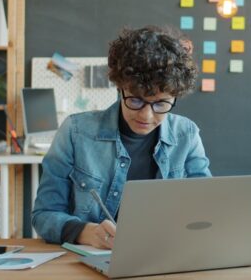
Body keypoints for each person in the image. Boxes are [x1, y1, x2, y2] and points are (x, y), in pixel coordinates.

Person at [31, 26, 211, 248]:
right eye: (135, 100)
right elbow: (44, 215)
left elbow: (205, 209)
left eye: (161, 104)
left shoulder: (187, 134)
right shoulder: (76, 131)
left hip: (165, 252)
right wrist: (85, 233)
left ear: (174, 98)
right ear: (120, 87)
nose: (146, 115)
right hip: (93, 259)